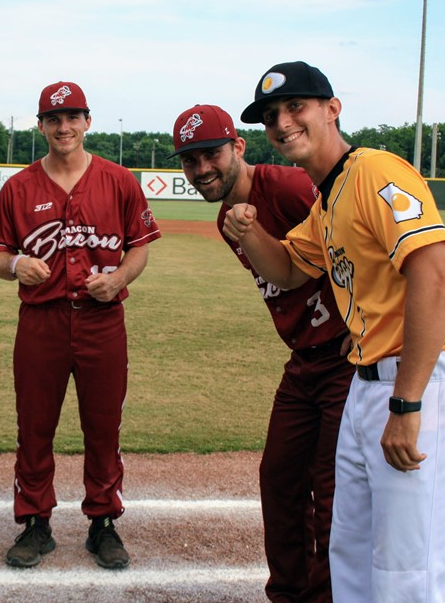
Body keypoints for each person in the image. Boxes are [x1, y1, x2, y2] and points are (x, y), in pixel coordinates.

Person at [229, 61, 445, 603]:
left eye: (296, 106)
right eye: (272, 115)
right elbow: (289, 270)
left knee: (405, 571)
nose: (282, 122)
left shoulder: (374, 171)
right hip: (366, 388)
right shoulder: (327, 201)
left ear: (332, 109)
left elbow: (435, 278)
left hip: (416, 384)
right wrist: (249, 235)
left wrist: (407, 405)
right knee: (350, 556)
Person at [169, 103, 352, 603]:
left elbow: (356, 251)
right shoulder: (229, 218)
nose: (202, 169)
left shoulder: (290, 187)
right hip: (305, 363)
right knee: (279, 478)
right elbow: (285, 276)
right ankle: (288, 594)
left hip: (345, 361)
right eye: (190, 160)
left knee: (330, 495)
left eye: (211, 154)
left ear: (238, 148)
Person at [0, 80, 161, 570]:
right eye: (54, 119)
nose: (64, 127)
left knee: (104, 426)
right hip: (42, 321)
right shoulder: (19, 187)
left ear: (87, 121)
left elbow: (140, 243)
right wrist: (17, 265)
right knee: (34, 426)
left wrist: (120, 276)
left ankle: (103, 523)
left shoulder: (119, 180)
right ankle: (36, 523)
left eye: (73, 117)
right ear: (41, 126)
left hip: (104, 321)